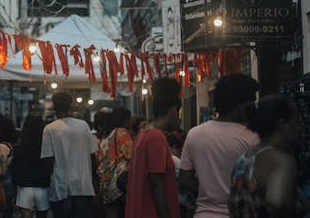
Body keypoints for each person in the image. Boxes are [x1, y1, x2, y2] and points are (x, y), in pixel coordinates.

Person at [179, 73, 260, 218]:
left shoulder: (194, 134)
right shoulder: (253, 138)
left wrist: (209, 192)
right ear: (239, 105)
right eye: (251, 103)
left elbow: (185, 179)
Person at [228, 94, 306, 217]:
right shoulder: (280, 162)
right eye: (296, 121)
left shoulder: (245, 157)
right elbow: (277, 202)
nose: (299, 128)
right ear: (282, 124)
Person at [125, 77, 181, 218]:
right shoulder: (156, 137)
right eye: (179, 113)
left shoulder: (143, 133)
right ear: (173, 111)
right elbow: (156, 183)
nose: (179, 119)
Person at [40, 92, 98, 218]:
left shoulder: (49, 129)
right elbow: (93, 156)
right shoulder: (83, 126)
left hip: (61, 187)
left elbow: (48, 161)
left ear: (54, 106)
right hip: (83, 186)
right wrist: (92, 180)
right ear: (70, 106)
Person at [12, 112, 51, 218]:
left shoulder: (19, 147)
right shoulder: (46, 146)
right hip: (43, 186)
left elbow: (15, 168)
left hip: (25, 187)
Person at [97, 107, 132, 218]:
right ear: (125, 120)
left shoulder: (105, 135)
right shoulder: (121, 132)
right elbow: (130, 155)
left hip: (105, 182)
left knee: (111, 213)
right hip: (119, 182)